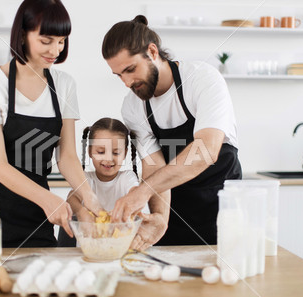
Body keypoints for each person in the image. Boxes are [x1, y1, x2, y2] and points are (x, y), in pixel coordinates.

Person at [0, 0, 102, 249]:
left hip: (36, 207)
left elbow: (66, 156)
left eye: (62, 41)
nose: (55, 50)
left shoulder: (64, 84)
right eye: (46, 40)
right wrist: (47, 199)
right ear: (23, 35)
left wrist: (89, 197)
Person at [101, 15, 242, 247]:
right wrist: (160, 219)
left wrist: (141, 192)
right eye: (119, 75)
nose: (126, 82)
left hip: (224, 208)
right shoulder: (133, 106)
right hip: (176, 210)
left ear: (153, 52)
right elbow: (154, 166)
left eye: (130, 69)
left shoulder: (202, 79)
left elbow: (207, 149)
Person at [58, 117, 149, 247]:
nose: (108, 159)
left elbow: (134, 192)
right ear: (90, 152)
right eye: (101, 152)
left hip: (120, 249)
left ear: (125, 154)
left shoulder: (127, 177)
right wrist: (81, 213)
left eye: (116, 153)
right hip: (88, 249)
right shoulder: (85, 179)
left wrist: (126, 208)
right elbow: (72, 198)